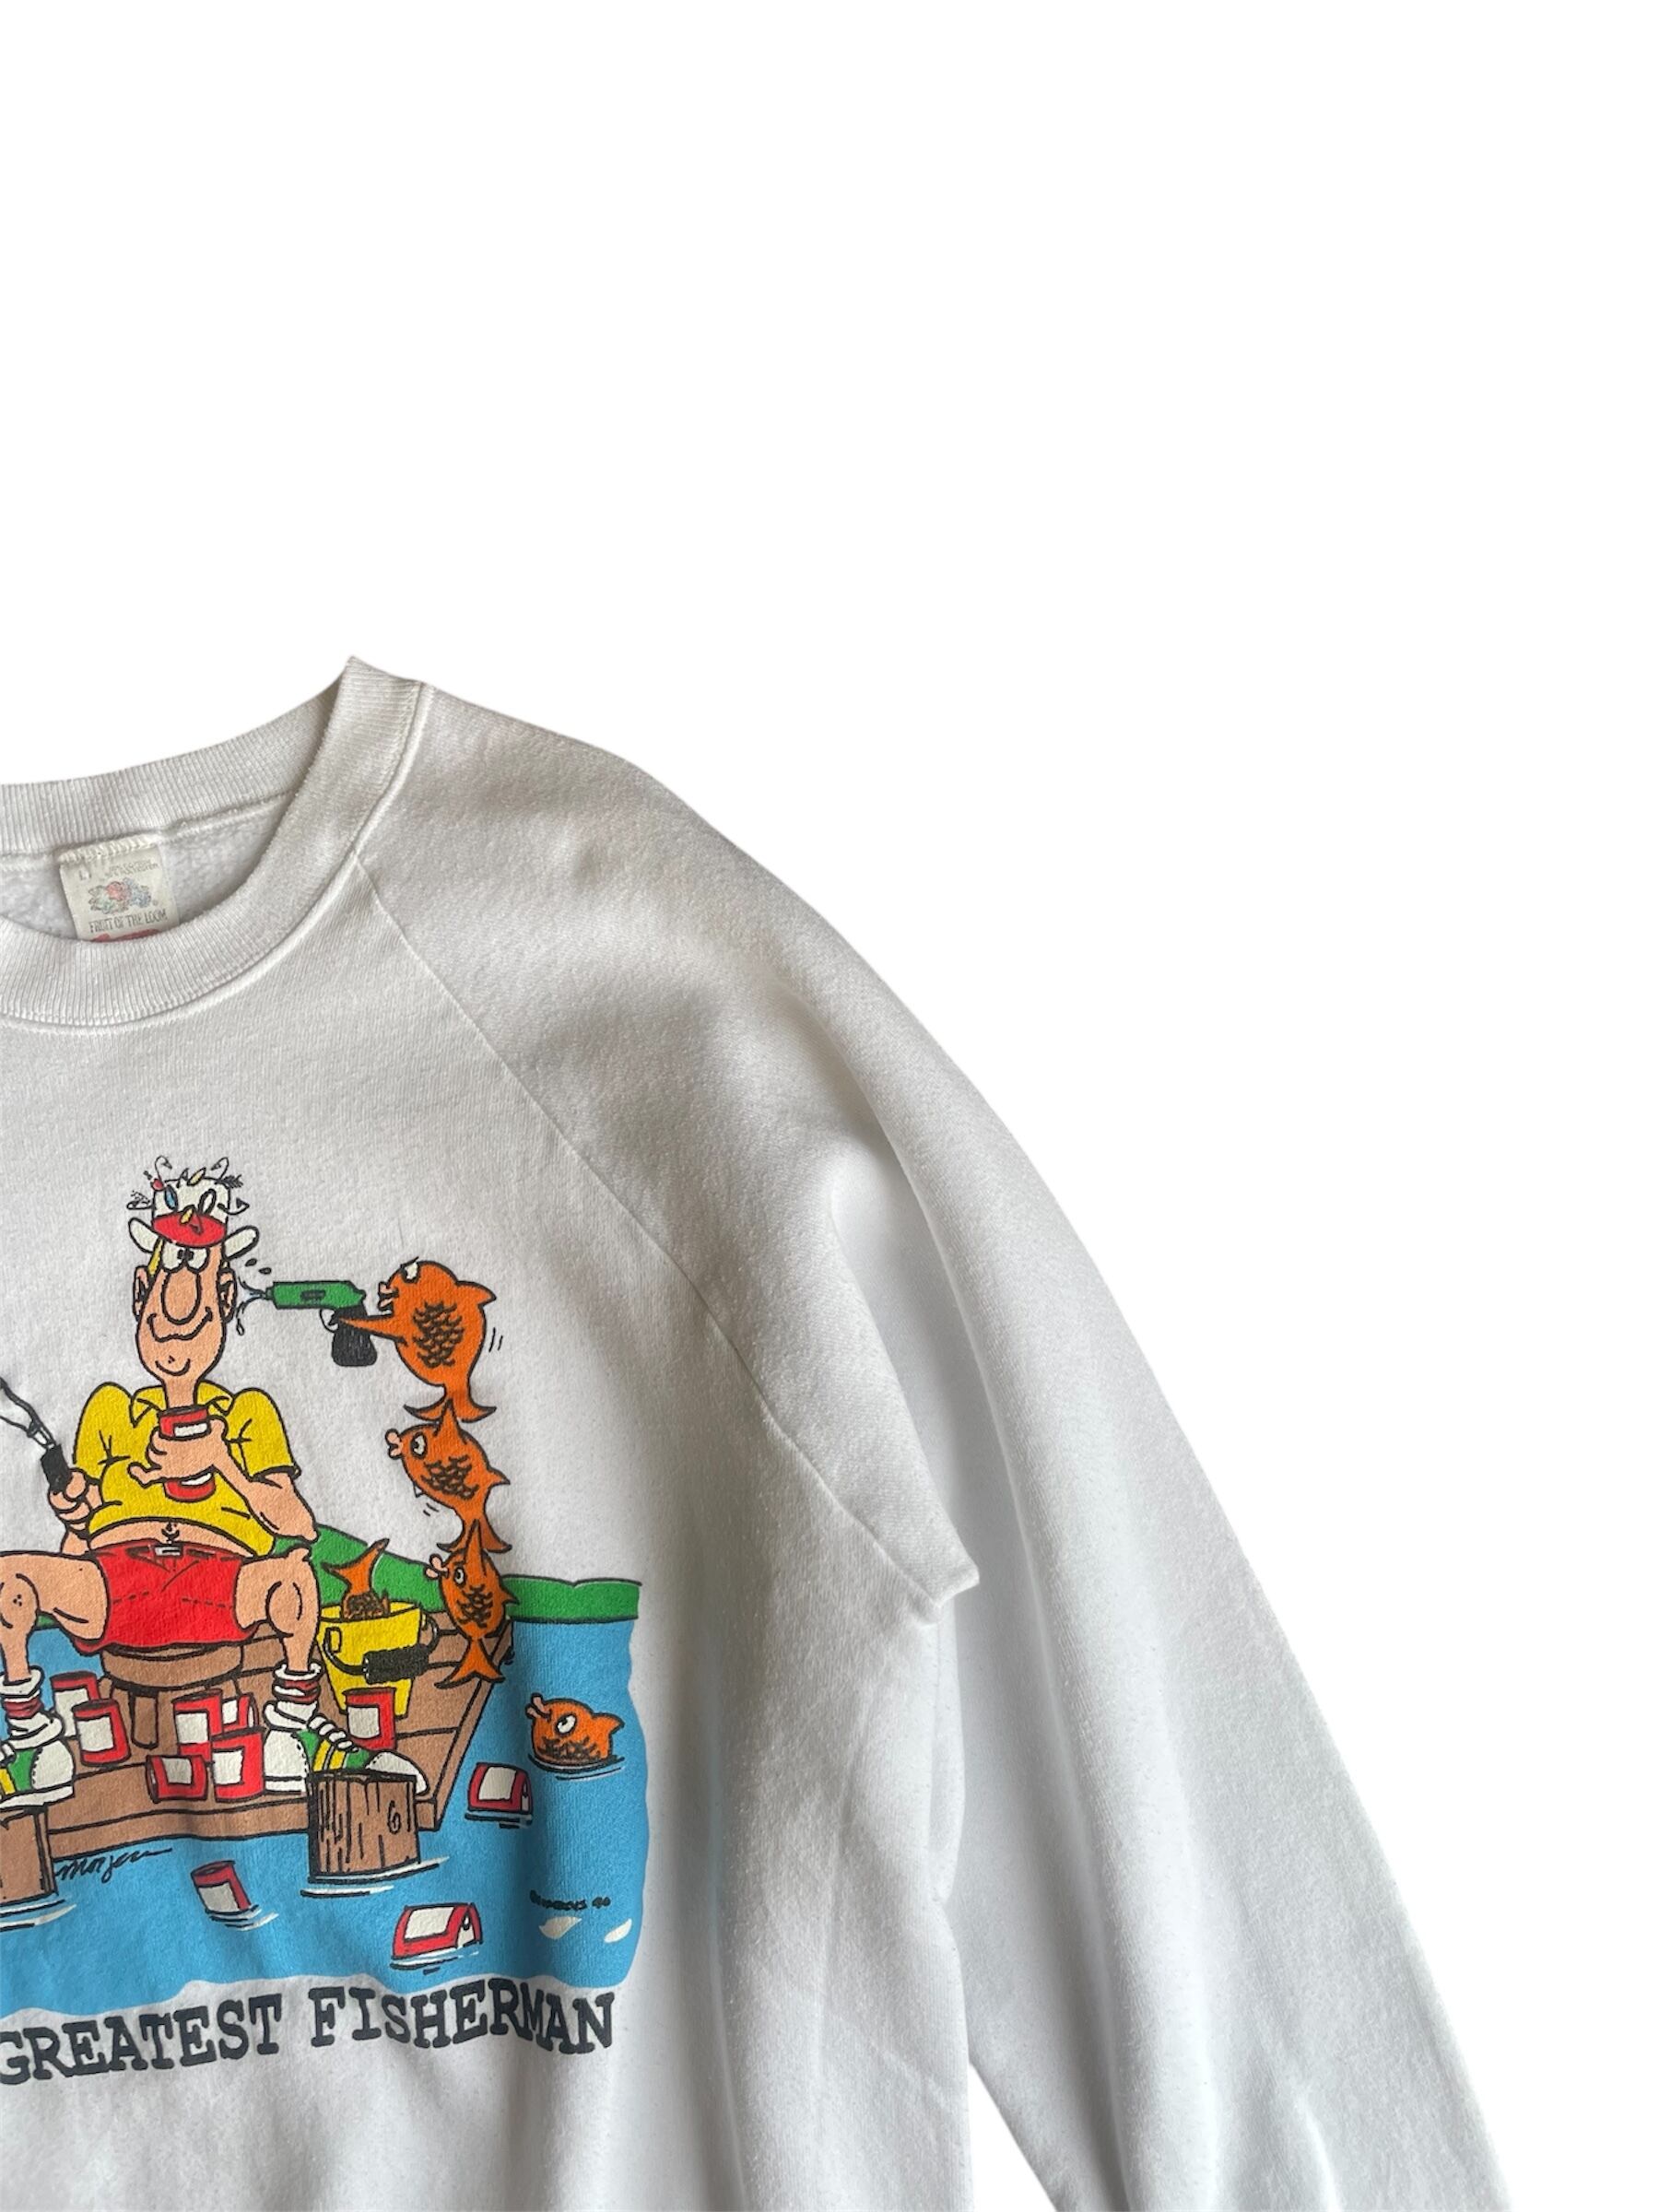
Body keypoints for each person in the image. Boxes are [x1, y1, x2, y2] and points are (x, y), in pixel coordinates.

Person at [0, 1160, 424, 1811]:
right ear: (139, 1299)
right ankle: (35, 1745)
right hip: (116, 1583)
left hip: (219, 1581)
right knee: (10, 1580)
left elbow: (298, 1525)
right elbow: (74, 1549)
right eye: (160, 1325)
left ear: (225, 1303)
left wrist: (222, 1461)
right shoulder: (110, 1410)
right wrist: (77, 1513)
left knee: (294, 1579)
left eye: (195, 1326)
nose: (174, 1342)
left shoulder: (248, 1414)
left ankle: (292, 1732)